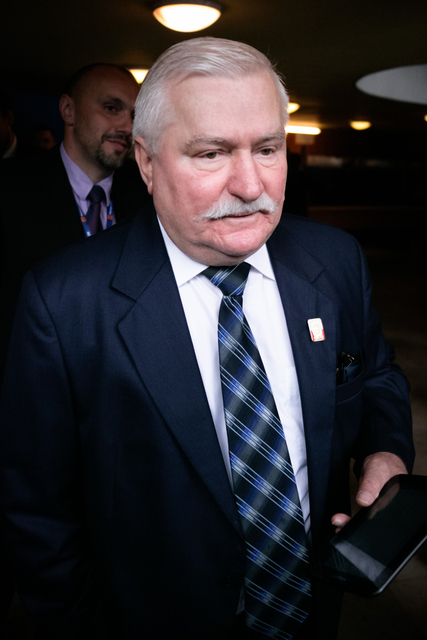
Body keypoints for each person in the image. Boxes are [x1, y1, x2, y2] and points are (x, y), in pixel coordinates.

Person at [0, 38, 414, 640]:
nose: (249, 184)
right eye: (212, 153)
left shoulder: (335, 260)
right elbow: (37, 510)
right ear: (146, 163)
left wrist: (386, 450)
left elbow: (373, 374)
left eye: (267, 149)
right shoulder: (64, 302)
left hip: (312, 611)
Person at [0, 63, 151, 383]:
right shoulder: (11, 189)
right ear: (68, 110)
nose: (127, 126)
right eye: (111, 108)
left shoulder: (149, 196)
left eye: (134, 115)